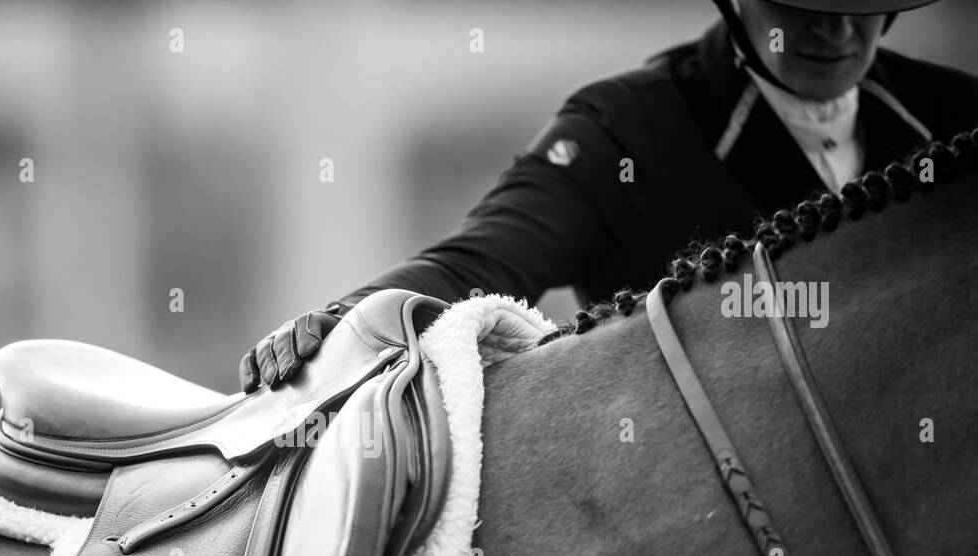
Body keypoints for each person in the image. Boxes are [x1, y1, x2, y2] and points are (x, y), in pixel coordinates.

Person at [239, 0, 978, 392]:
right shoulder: (626, 130)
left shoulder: (956, 121)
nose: (836, 27)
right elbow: (482, 260)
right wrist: (344, 318)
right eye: (803, 0)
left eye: (865, 0)